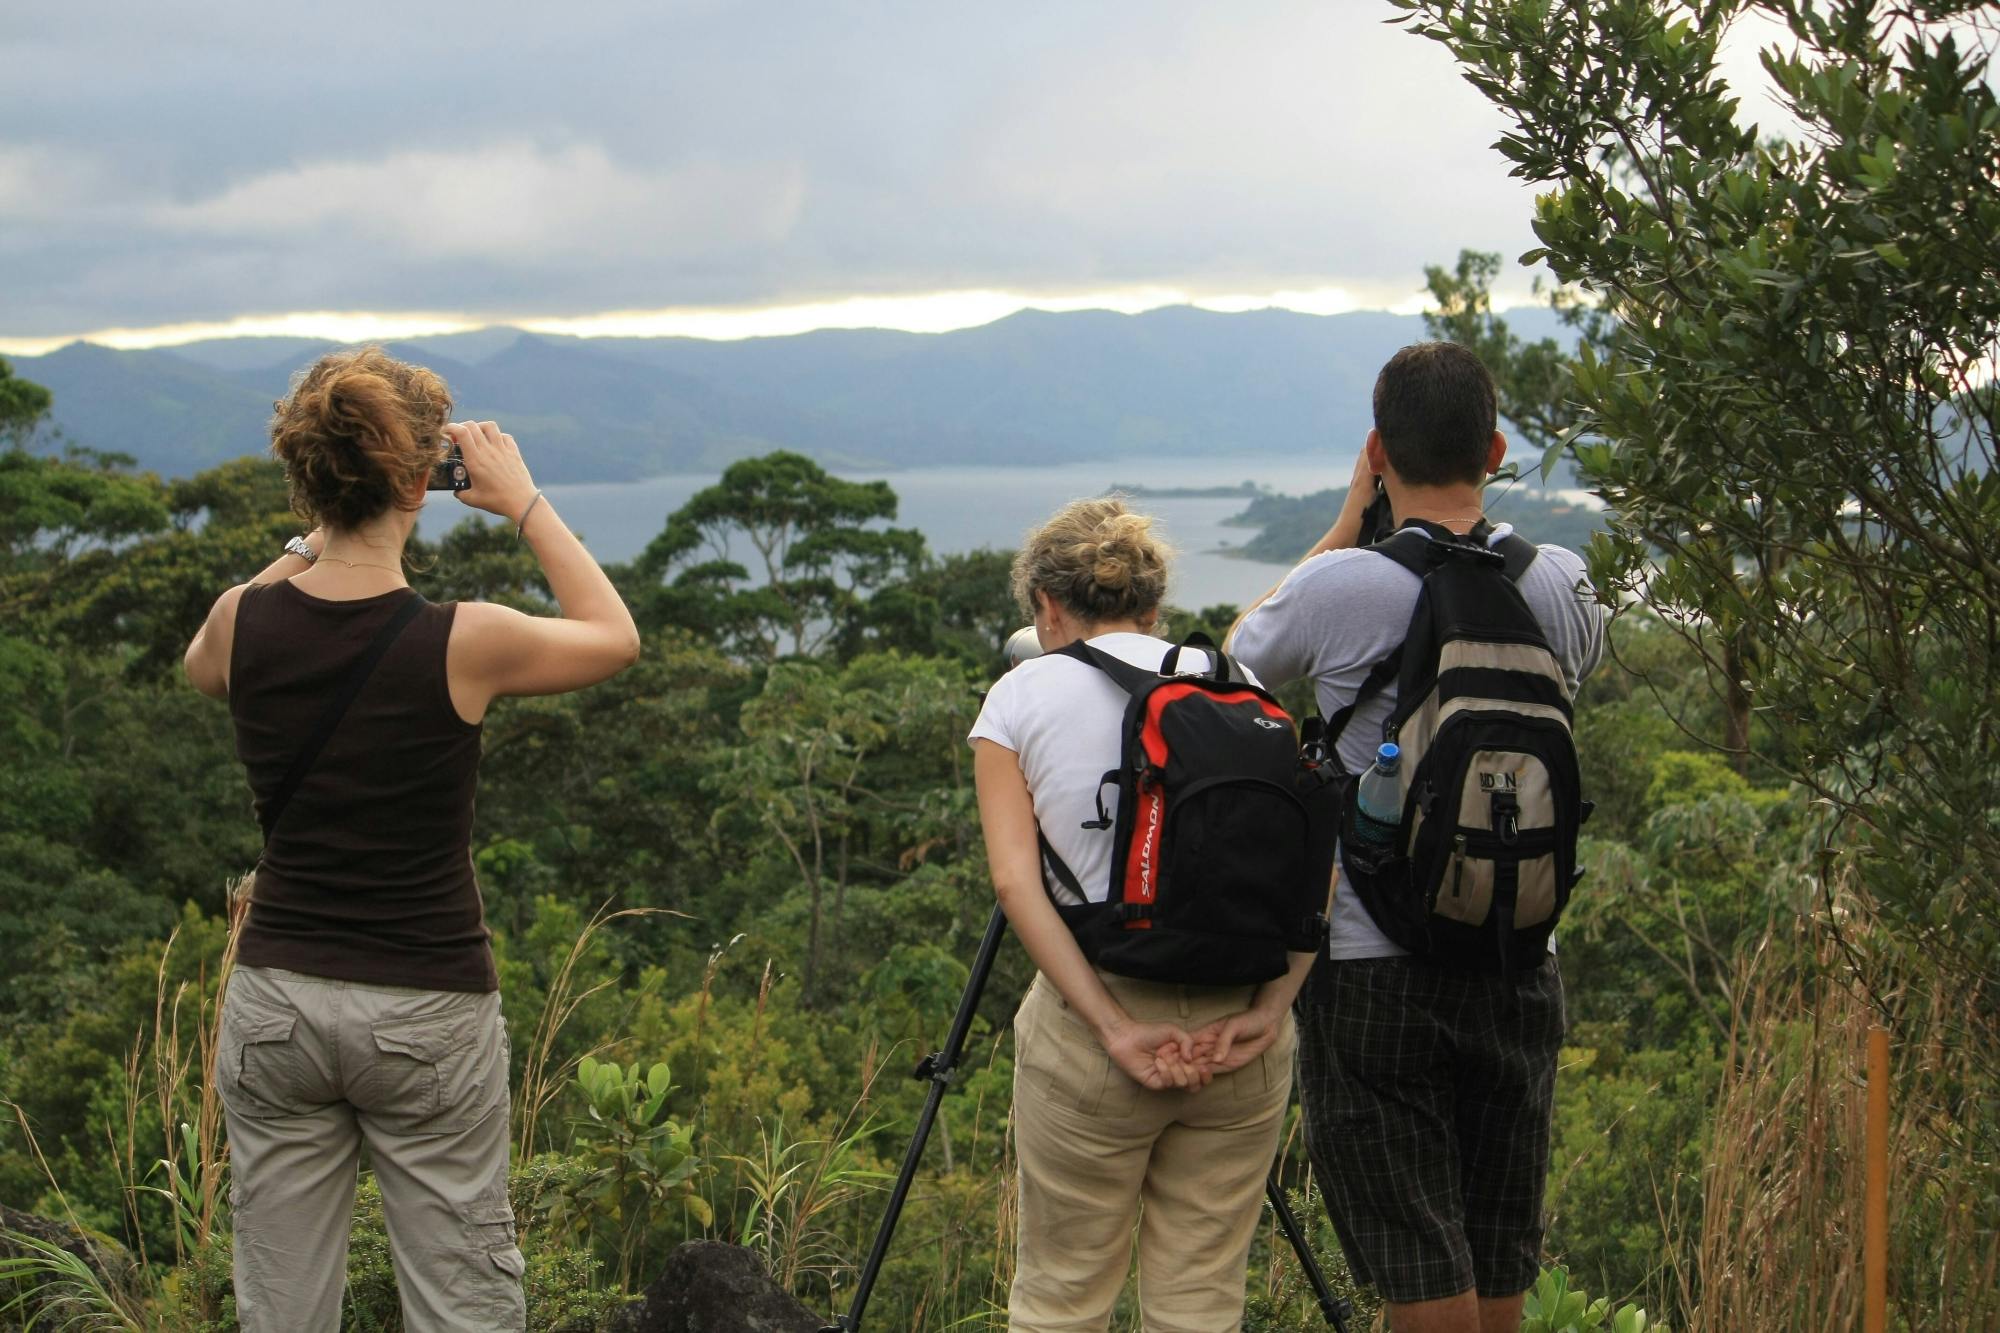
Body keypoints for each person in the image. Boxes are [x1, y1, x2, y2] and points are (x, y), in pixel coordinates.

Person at [183, 346, 640, 1333]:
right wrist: (523, 503)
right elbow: (612, 635)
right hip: (424, 1001)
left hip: (276, 1004)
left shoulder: (239, 621)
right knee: (461, 1295)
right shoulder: (461, 637)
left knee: (280, 1302)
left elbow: (201, 663)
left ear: (306, 474)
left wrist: (315, 536)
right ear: (415, 479)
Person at [1227, 341, 1605, 1333]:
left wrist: (1353, 518)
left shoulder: (1342, 588)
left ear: (1375, 449)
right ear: (1493, 445)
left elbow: (1233, 666)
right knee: (1495, 1244)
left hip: (1368, 954)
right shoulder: (1564, 583)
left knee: (1415, 1260)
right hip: (1520, 949)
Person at [969, 497, 1317, 1332]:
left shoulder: (1019, 697)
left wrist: (1114, 1028)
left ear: (1049, 606)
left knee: (1062, 1295)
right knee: (1200, 1298)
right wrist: (1270, 1013)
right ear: (1154, 607)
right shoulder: (1243, 688)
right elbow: (1317, 870)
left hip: (1096, 1036)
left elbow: (1017, 885)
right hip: (1241, 1037)